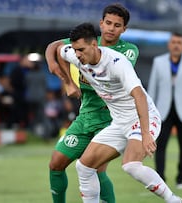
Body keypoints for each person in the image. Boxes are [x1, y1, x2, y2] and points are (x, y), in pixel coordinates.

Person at [57, 22, 182, 203]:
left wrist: (146, 134)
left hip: (142, 118)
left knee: (131, 165)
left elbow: (139, 96)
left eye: (81, 50)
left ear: (94, 45)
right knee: (84, 167)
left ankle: (173, 200)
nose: (77, 54)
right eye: (75, 50)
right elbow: (57, 49)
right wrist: (67, 81)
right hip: (119, 123)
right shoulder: (76, 55)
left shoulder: (117, 63)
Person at [45, 3, 139, 203]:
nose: (111, 28)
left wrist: (83, 73)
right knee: (55, 164)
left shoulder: (128, 51)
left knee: (95, 169)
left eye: (117, 25)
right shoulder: (87, 42)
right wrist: (64, 78)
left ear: (124, 29)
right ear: (101, 23)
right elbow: (56, 47)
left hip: (110, 119)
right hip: (85, 117)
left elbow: (112, 73)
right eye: (108, 23)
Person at [147, 32, 182, 190]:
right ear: (169, 44)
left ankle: (180, 179)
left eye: (179, 42)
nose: (176, 45)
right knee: (161, 145)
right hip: (162, 111)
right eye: (173, 42)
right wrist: (151, 112)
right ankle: (160, 179)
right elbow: (152, 88)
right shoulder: (158, 62)